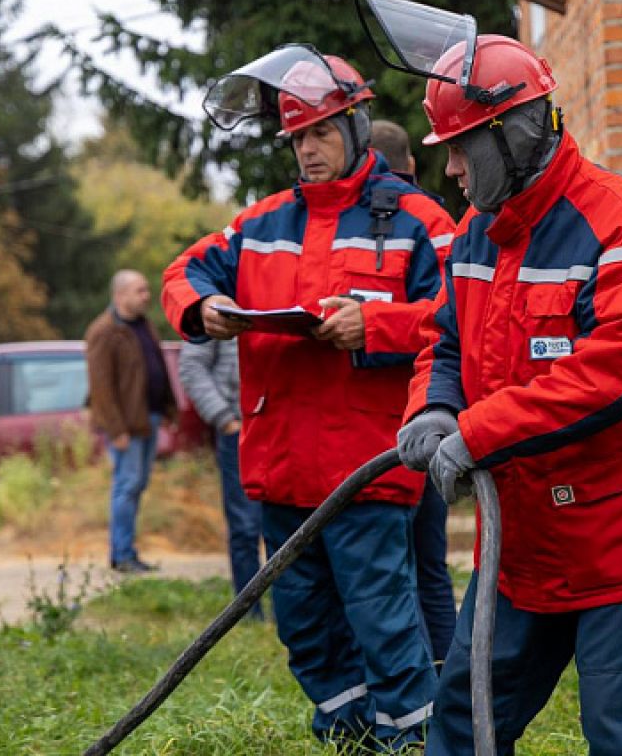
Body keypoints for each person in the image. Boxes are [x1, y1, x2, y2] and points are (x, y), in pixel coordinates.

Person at [358, 0, 622, 755]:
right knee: (462, 723)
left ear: (511, 135)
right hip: (521, 544)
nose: (448, 171)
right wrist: (431, 410)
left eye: (459, 149)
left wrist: (477, 432)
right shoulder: (478, 237)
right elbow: (442, 342)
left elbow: (615, 372)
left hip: (618, 543)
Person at [163, 44, 455, 751]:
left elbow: (460, 317)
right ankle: (347, 733)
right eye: (296, 138)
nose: (307, 150)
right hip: (281, 466)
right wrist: (203, 308)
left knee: (385, 623)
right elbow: (183, 273)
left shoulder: (421, 220)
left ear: (355, 127)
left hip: (368, 468)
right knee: (302, 625)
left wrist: (374, 324)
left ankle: (410, 741)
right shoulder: (258, 224)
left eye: (320, 133)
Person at [369, 118, 457, 666]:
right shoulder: (436, 221)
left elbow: (447, 322)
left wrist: (369, 327)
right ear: (413, 166)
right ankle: (447, 677)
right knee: (428, 561)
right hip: (427, 414)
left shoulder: (416, 223)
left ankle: (421, 687)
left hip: (394, 426)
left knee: (394, 570)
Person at [85, 270, 175, 574]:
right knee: (127, 485)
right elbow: (101, 387)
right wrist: (116, 429)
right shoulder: (104, 331)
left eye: (146, 290)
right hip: (126, 425)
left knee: (137, 485)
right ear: (120, 295)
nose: (146, 296)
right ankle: (121, 554)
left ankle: (128, 552)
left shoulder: (143, 325)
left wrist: (168, 410)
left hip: (147, 418)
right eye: (140, 291)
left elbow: (158, 368)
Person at [178, 338, 264, 619]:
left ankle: (296, 612)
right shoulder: (220, 298)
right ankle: (249, 612)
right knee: (245, 526)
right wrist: (224, 418)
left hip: (284, 426)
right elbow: (191, 365)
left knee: (292, 523)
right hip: (237, 428)